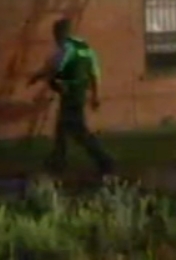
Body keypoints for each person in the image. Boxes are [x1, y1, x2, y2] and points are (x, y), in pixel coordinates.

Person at [28, 18, 114, 177]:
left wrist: (39, 78)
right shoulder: (86, 48)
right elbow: (94, 73)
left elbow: (54, 68)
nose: (55, 38)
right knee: (61, 129)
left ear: (58, 33)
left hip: (70, 94)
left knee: (78, 131)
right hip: (80, 92)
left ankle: (104, 160)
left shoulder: (66, 49)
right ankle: (58, 160)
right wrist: (95, 95)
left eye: (55, 34)